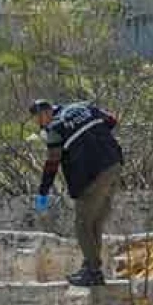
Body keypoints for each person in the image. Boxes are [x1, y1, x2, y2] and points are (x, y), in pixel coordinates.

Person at [30, 99, 123, 287]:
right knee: (94, 222)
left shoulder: (55, 128)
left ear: (44, 115)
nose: (40, 124)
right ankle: (90, 265)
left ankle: (93, 272)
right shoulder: (83, 107)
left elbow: (53, 161)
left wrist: (43, 191)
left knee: (82, 224)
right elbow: (112, 121)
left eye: (38, 120)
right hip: (114, 165)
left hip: (93, 176)